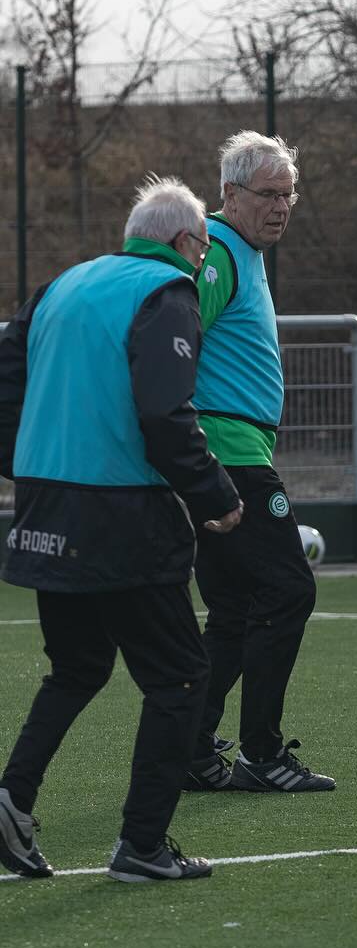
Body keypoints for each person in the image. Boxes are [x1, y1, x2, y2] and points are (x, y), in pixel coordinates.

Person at [0, 176, 243, 882]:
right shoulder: (167, 294)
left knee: (77, 667)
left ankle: (12, 798)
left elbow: (5, 388)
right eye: (203, 246)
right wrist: (214, 495)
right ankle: (142, 845)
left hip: (46, 504)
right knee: (179, 677)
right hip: (121, 512)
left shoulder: (62, 285)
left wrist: (35, 467)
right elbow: (166, 415)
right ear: (184, 241)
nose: (204, 260)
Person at [183, 131, 332, 793]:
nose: (281, 206)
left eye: (289, 194)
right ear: (229, 195)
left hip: (229, 455)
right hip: (232, 460)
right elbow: (177, 343)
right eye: (268, 194)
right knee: (289, 590)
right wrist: (195, 455)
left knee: (238, 609)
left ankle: (189, 743)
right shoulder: (218, 254)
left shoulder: (241, 251)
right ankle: (262, 754)